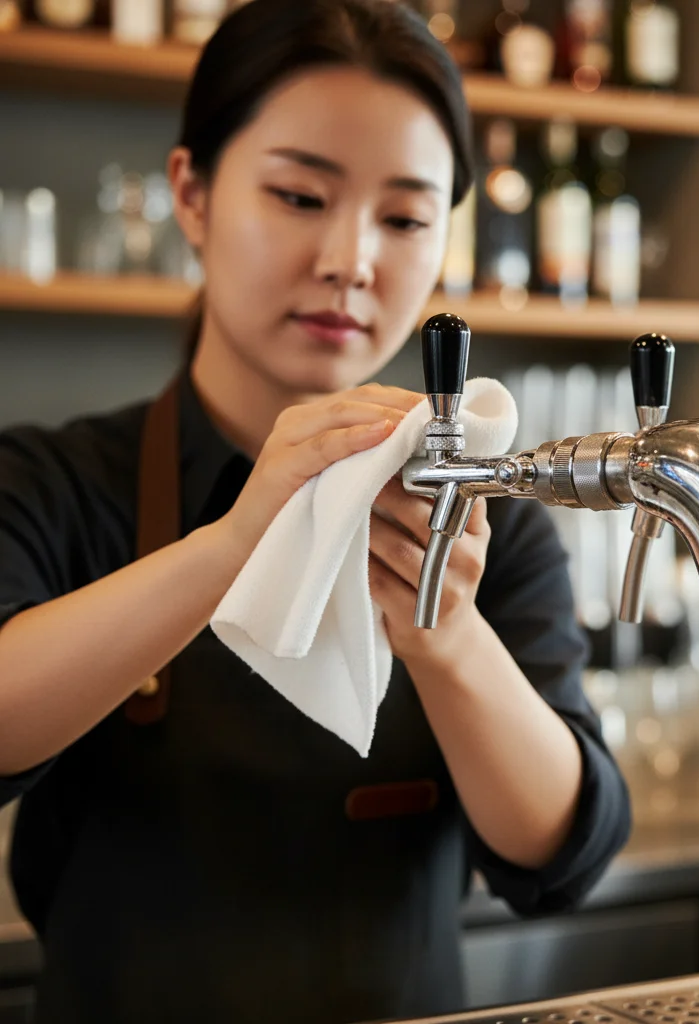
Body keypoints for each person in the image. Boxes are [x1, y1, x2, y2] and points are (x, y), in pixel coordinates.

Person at [0, 2, 631, 1022]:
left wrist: (447, 641)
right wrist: (235, 544)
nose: (352, 259)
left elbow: (561, 847)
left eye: (405, 216)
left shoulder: (483, 517)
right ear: (192, 195)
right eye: (300, 195)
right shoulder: (61, 482)